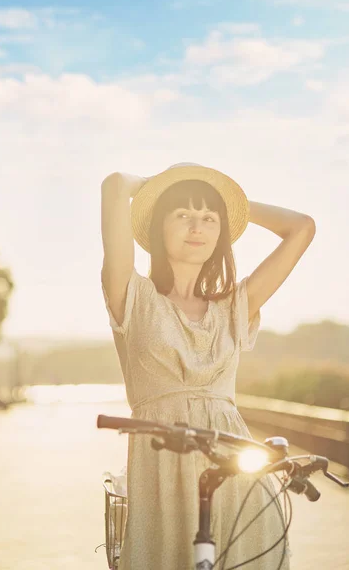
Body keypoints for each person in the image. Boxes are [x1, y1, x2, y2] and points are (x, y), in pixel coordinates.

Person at [100, 162, 316, 569]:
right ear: (158, 228)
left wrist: (229, 203)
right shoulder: (133, 295)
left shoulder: (234, 306)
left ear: (222, 235)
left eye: (209, 219)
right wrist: (156, 188)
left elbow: (302, 227)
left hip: (237, 473)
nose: (196, 227)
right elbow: (113, 186)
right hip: (160, 468)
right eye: (182, 215)